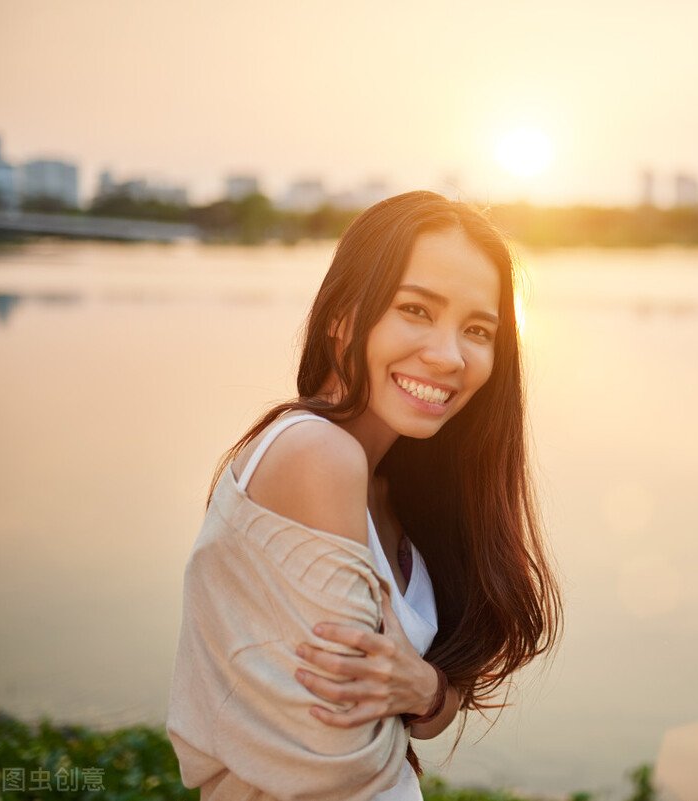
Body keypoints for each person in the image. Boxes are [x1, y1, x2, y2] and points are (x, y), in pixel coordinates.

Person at [166, 191, 563, 801]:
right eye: (416, 309)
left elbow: (425, 709)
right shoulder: (316, 456)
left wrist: (426, 687)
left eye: (477, 329)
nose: (448, 356)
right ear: (343, 312)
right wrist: (423, 701)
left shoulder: (398, 487)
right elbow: (343, 753)